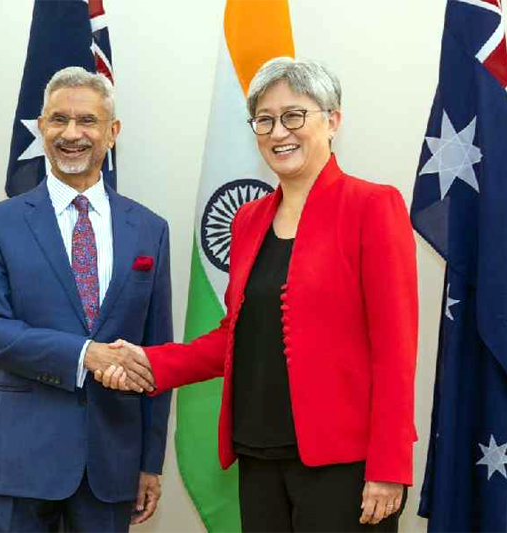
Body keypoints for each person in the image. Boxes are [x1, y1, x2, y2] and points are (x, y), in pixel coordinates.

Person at [101, 57, 418, 532]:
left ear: (332, 120)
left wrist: (390, 465)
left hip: (343, 463)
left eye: (294, 115)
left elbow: (396, 348)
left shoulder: (372, 206)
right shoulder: (248, 221)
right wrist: (151, 362)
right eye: (264, 120)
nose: (278, 132)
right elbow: (236, 335)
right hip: (258, 452)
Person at [0, 66, 171, 533]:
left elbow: (156, 354)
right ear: (41, 127)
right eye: (59, 119)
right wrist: (84, 355)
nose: (71, 133)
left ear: (112, 132)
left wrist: (149, 462)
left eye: (87, 120)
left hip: (112, 464)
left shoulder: (150, 230)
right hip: (19, 460)